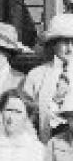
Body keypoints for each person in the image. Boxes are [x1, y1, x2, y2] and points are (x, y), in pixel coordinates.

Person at [23, 13, 73, 143]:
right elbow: (27, 117)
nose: (70, 48)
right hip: (45, 143)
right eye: (64, 42)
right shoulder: (37, 75)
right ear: (53, 44)